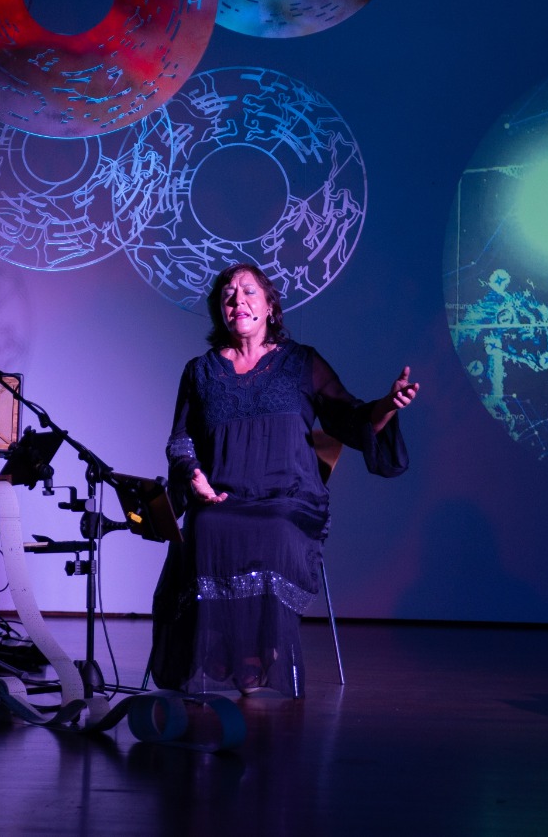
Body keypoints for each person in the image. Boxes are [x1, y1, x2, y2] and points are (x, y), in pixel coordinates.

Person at [149, 262, 419, 697]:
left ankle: (258, 654)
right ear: (220, 311)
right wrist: (193, 474)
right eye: (228, 294)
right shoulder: (200, 371)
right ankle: (224, 653)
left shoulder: (301, 362)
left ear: (270, 307)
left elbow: (348, 418)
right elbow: (181, 440)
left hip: (288, 496)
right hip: (222, 495)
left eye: (248, 291)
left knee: (274, 528)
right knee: (207, 524)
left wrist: (388, 404)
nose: (238, 300)